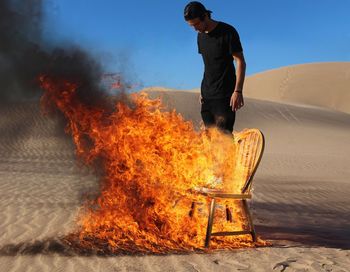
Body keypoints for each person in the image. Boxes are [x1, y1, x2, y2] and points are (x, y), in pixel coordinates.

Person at [184, 1, 246, 133]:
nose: (195, 29)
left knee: (224, 140)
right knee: (210, 141)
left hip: (224, 96)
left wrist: (238, 91)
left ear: (205, 16)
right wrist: (203, 90)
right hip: (207, 96)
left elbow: (240, 61)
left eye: (196, 24)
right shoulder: (200, 37)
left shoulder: (228, 32)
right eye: (191, 26)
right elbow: (209, 64)